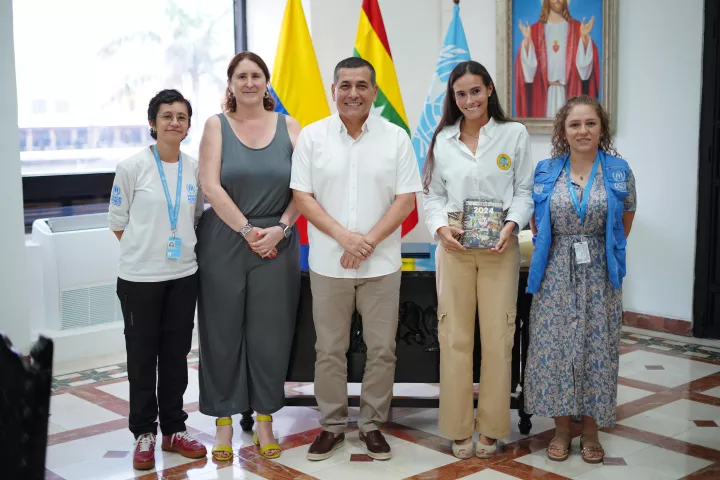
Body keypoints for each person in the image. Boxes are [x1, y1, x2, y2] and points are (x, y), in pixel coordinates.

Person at [291, 57, 423, 461]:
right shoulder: (312, 137)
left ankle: (371, 425)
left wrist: (366, 242)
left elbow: (406, 200)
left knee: (382, 350)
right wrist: (344, 238)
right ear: (333, 91)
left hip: (381, 265)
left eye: (362, 85)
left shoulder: (396, 138)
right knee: (329, 350)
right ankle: (332, 425)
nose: (353, 93)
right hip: (329, 263)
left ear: (374, 92)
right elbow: (302, 197)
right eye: (345, 86)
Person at [422, 60, 533, 459]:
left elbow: (524, 190)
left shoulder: (513, 134)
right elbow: (432, 195)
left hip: (500, 244)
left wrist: (512, 225)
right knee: (454, 337)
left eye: (475, 91)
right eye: (460, 94)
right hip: (454, 243)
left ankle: (491, 427)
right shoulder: (443, 138)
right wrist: (440, 229)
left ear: (489, 89)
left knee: (499, 337)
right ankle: (457, 427)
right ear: (453, 98)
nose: (469, 100)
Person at [195, 51, 302, 461]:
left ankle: (265, 421)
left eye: (256, 75)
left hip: (277, 240)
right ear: (231, 83)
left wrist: (281, 228)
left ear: (266, 81)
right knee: (221, 333)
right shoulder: (215, 125)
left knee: (270, 334)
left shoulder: (290, 126)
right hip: (225, 239)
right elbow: (210, 186)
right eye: (241, 76)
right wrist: (247, 230)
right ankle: (223, 424)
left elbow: (304, 188)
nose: (250, 82)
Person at [524, 95, 636, 464]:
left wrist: (595, 247)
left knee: (597, 349)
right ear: (563, 130)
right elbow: (538, 222)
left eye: (590, 123)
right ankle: (560, 430)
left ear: (602, 129)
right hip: (555, 271)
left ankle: (590, 431)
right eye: (574, 124)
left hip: (600, 272)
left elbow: (625, 221)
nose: (583, 131)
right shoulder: (546, 170)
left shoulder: (619, 170)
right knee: (556, 348)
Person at [108, 89, 207, 471]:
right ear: (153, 122)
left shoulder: (194, 168)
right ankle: (144, 433)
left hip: (183, 276)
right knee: (141, 359)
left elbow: (194, 217)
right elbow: (118, 223)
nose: (174, 123)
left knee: (176, 358)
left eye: (181, 117)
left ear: (188, 125)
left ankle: (174, 429)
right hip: (139, 280)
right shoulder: (131, 167)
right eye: (167, 116)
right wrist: (146, 253)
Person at [514, 0, 600, 118]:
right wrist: (528, 43)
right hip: (543, 96)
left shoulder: (577, 29)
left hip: (570, 91)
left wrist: (584, 39)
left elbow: (585, 72)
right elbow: (527, 73)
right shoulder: (534, 31)